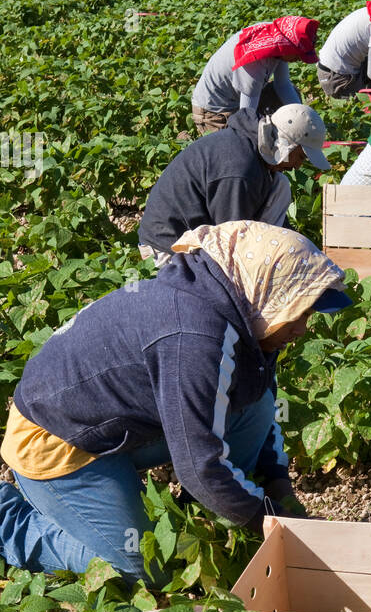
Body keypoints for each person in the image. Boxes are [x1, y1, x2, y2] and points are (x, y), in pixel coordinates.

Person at [0, 223, 352, 587]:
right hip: (57, 440)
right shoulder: (195, 337)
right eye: (303, 312)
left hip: (117, 423)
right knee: (143, 569)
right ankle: (9, 521)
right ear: (271, 292)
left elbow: (262, 395)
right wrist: (275, 521)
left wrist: (279, 485)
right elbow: (199, 467)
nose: (302, 329)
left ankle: (207, 518)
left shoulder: (247, 312)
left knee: (254, 406)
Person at [138, 105, 332, 268]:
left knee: (280, 185)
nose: (298, 166)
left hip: (201, 233)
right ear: (286, 146)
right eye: (301, 156)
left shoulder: (252, 148)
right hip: (168, 248)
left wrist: (303, 253)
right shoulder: (240, 169)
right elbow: (230, 244)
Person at [191, 16, 319, 135]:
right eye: (298, 54)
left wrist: (305, 118)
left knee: (291, 102)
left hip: (240, 100)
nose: (299, 59)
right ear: (288, 47)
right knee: (243, 150)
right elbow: (246, 119)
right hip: (214, 112)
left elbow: (283, 85)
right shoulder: (254, 60)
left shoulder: (278, 38)